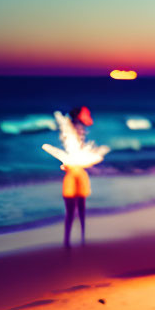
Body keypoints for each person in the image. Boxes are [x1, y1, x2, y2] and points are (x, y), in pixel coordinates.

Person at [62, 105, 94, 248]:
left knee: (72, 210)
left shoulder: (72, 130)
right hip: (77, 172)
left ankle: (69, 240)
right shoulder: (75, 130)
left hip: (75, 172)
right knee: (79, 208)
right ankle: (80, 238)